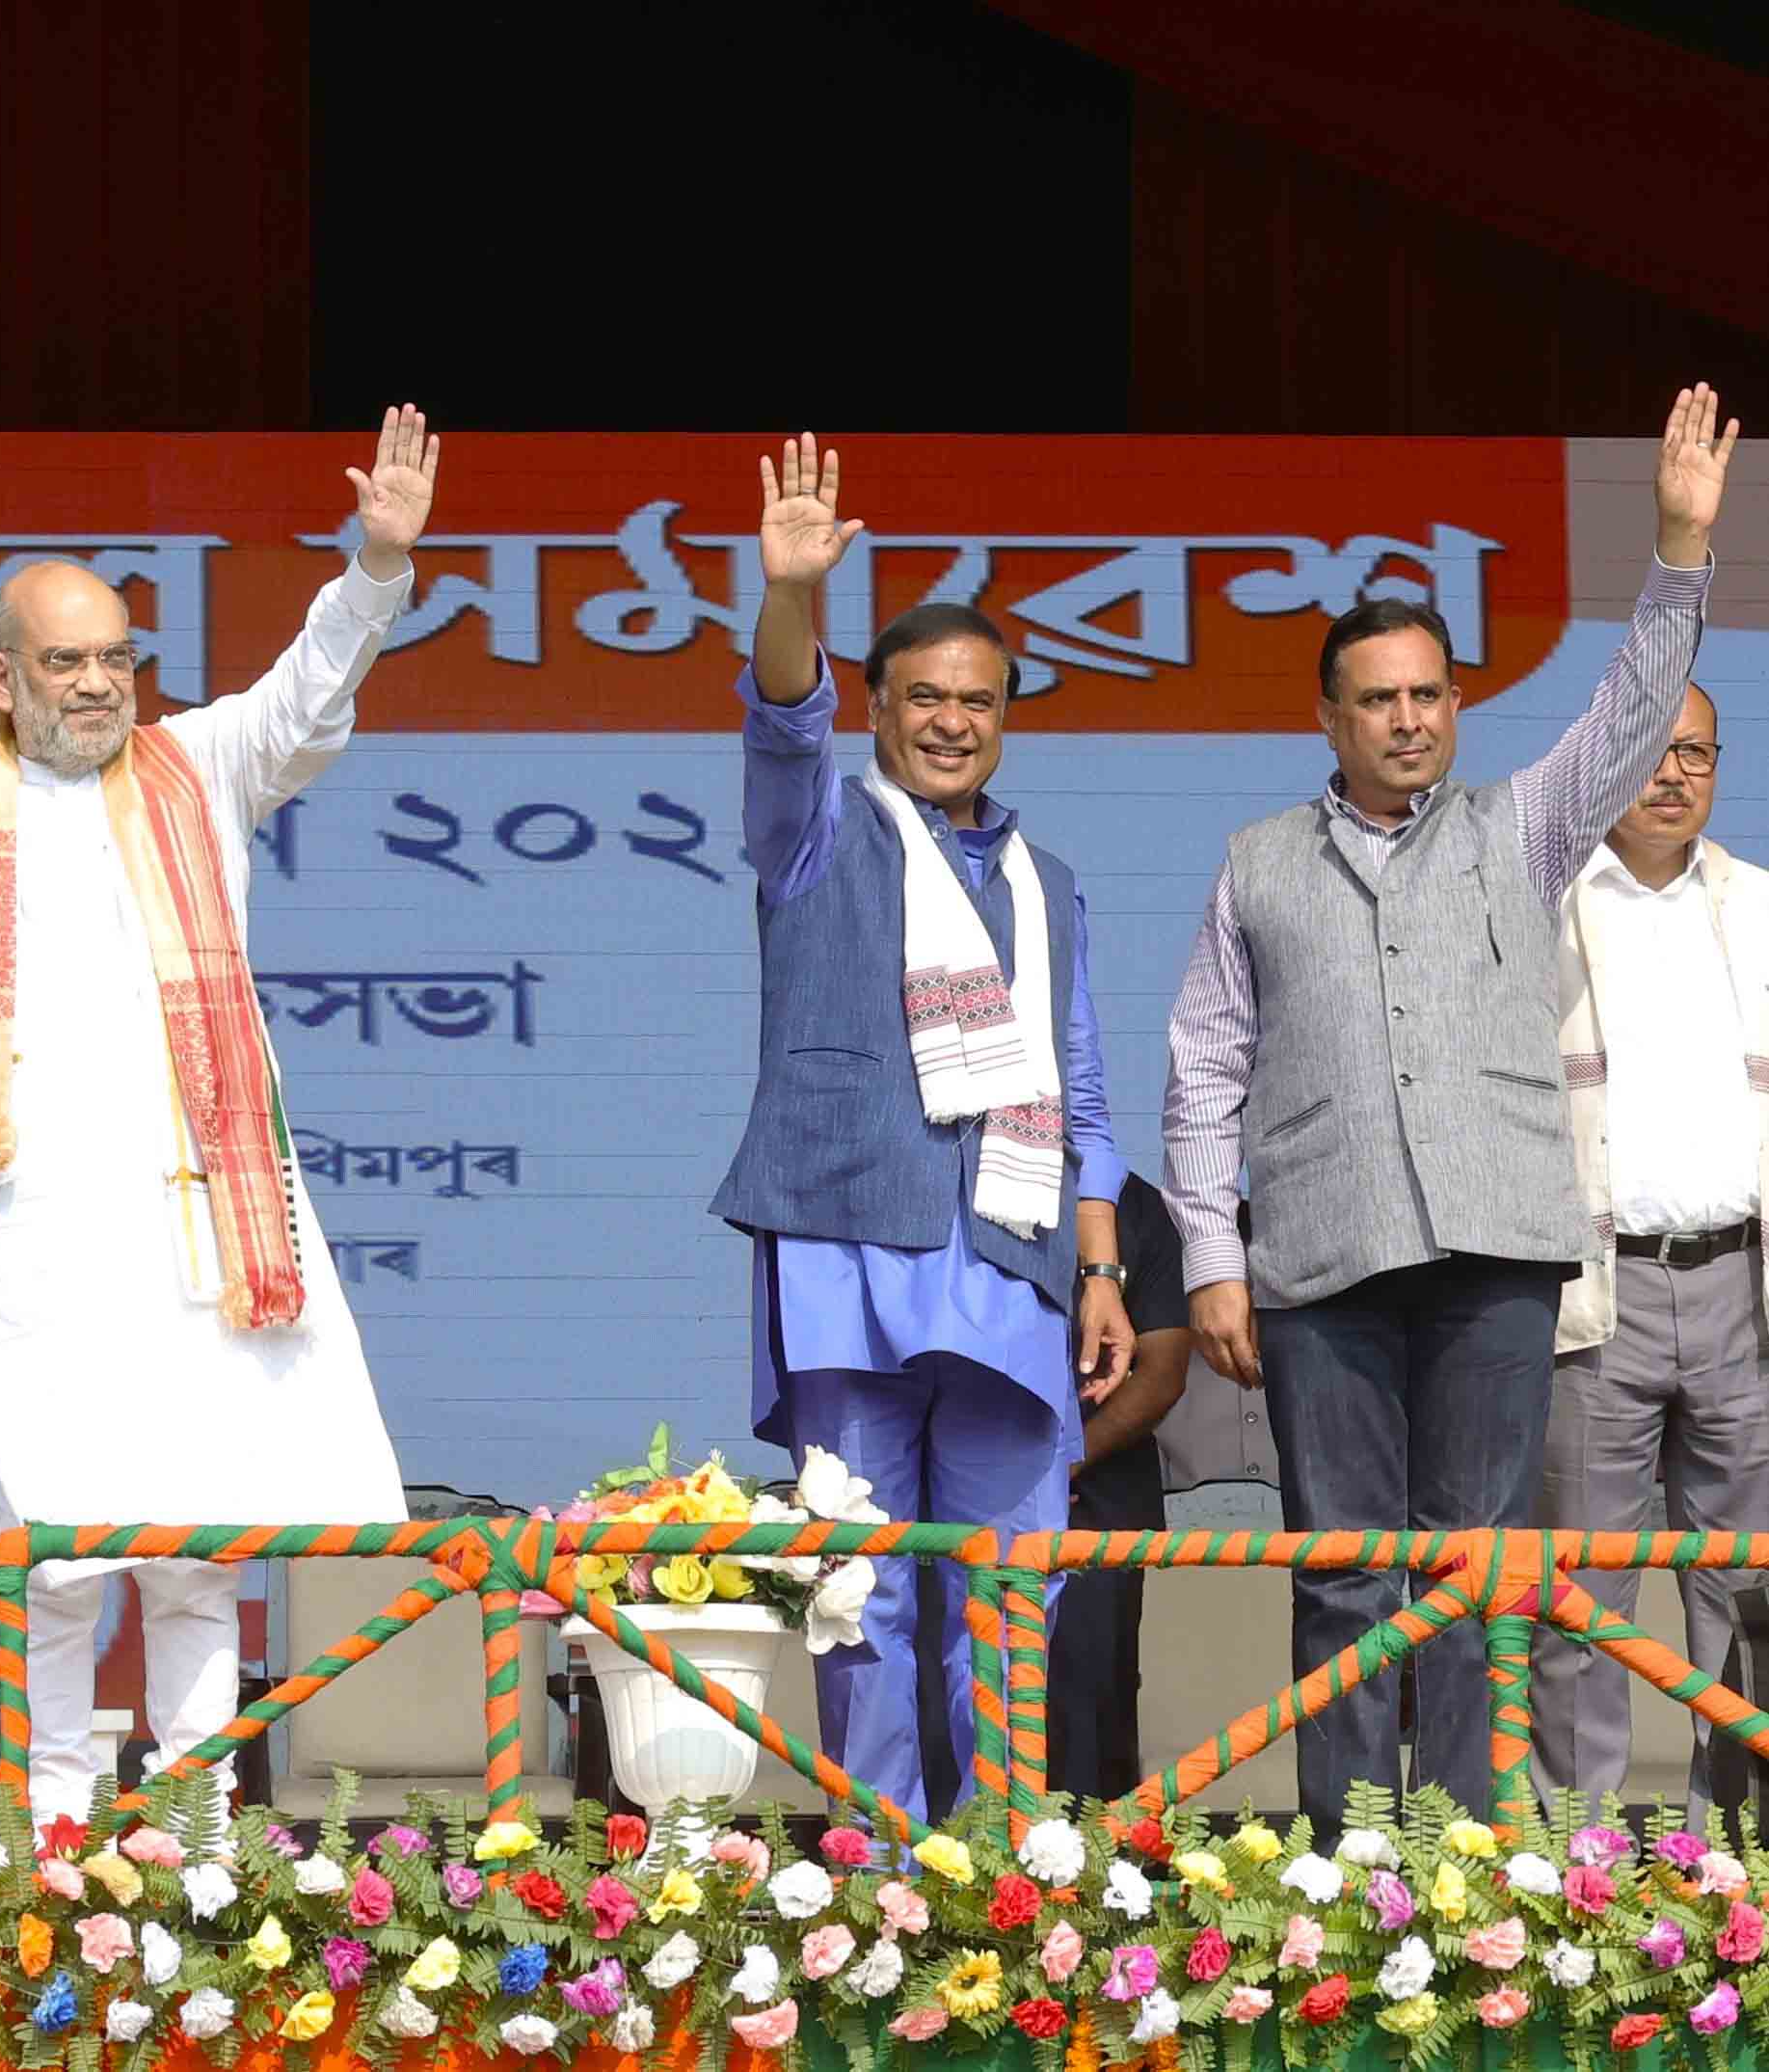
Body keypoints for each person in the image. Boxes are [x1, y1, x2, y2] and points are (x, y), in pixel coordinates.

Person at [0, 410, 436, 1821]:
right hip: (17, 1248)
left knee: (196, 1555)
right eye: (66, 660)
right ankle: (46, 1837)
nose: (99, 684)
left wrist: (376, 565)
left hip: (190, 1233)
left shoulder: (197, 766)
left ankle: (200, 1833)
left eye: (116, 657)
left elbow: (307, 694)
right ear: (0, 673)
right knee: (46, 1555)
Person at [1164, 386, 1735, 1827]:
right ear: (1328, 715)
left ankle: (1471, 1865)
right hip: (1320, 1266)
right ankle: (1350, 1867)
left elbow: (1625, 713)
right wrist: (1213, 1262)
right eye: (1377, 698)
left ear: (1454, 707)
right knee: (1345, 1571)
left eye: (1427, 694)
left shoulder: (1522, 826)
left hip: (1492, 1258)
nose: (1406, 719)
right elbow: (1203, 1066)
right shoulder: (1254, 861)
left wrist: (1675, 550)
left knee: (1478, 1570)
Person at [709, 434, 1136, 1824]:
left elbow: (1076, 1078)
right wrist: (789, 598)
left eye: (977, 701)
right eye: (921, 699)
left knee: (1008, 1593)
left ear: (1003, 717)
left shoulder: (1044, 877)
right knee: (860, 1585)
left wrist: (1105, 1263)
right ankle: (883, 1861)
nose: (950, 722)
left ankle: (1000, 1864)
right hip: (848, 1253)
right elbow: (781, 719)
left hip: (1008, 1260)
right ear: (877, 708)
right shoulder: (818, 830)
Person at [1534, 683, 1769, 1815]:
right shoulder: (1544, 904)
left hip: (1742, 1288)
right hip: (1595, 1293)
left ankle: (1733, 1849)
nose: (1673, 774)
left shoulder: (1756, 904)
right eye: (1650, 750)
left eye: (1696, 752)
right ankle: (1575, 1871)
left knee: (1745, 1593)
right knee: (1584, 1596)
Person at [1043, 1171, 1193, 1802]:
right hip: (977, 1496)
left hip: (1099, 1504)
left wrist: (1065, 1465)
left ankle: (1097, 1884)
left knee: (1091, 1704)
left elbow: (1163, 1372)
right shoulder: (974, 1185)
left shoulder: (1139, 1208)